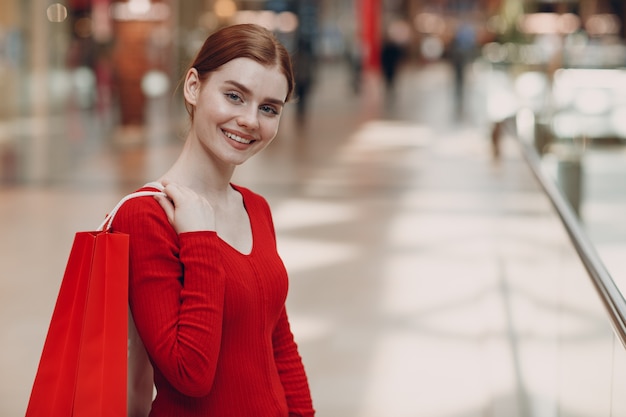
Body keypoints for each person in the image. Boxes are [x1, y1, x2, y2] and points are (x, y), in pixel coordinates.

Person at [111, 24, 315, 417]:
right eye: (234, 96)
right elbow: (190, 373)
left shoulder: (255, 208)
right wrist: (200, 239)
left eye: (269, 108)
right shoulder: (147, 216)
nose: (250, 120)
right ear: (193, 87)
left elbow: (277, 341)